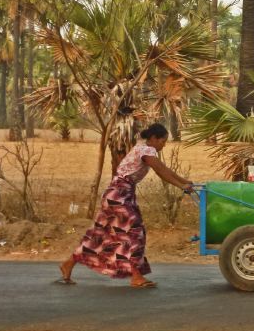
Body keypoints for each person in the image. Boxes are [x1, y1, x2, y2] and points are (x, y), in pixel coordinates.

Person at [56, 123, 194, 288]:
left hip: (119, 193)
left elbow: (164, 169)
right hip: (119, 195)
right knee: (133, 232)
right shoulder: (146, 150)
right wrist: (182, 185)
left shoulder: (143, 148)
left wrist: (185, 182)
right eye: (163, 141)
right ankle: (136, 276)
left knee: (101, 235)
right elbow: (161, 171)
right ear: (153, 139)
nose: (163, 145)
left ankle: (68, 264)